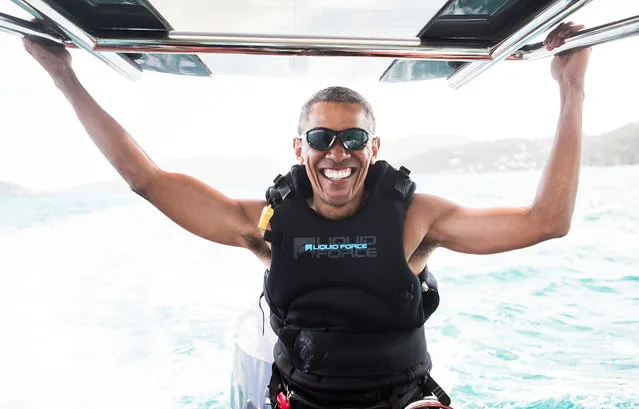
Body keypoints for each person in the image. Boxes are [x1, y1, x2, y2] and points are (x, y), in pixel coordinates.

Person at [21, 20, 590, 409]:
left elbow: (546, 221)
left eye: (353, 138)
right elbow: (146, 179)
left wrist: (571, 85)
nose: (337, 153)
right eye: (321, 137)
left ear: (373, 147)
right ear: (299, 148)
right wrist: (61, 74)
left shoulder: (418, 218)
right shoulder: (267, 224)